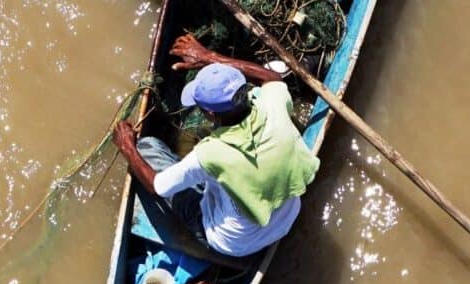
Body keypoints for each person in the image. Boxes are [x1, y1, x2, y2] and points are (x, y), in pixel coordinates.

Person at [112, 34, 320, 257]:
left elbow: (158, 186)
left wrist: (128, 147)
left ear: (210, 113)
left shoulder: (209, 153)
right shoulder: (273, 103)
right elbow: (273, 77)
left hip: (234, 244)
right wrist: (209, 56)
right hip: (286, 219)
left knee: (148, 146)